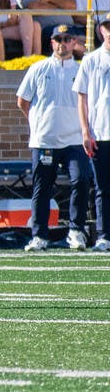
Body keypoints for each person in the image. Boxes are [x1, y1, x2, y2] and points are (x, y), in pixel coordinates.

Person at [17, 24, 90, 252]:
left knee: (81, 180)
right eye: (58, 39)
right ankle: (39, 235)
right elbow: (22, 101)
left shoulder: (80, 70)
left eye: (67, 39)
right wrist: (38, 124)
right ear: (51, 42)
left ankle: (76, 230)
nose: (62, 43)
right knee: (42, 187)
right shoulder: (38, 68)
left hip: (75, 139)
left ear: (73, 42)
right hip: (45, 141)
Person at [75, 17, 110, 251]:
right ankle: (104, 235)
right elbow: (82, 97)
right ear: (102, 30)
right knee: (103, 187)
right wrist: (85, 131)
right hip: (101, 130)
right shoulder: (91, 60)